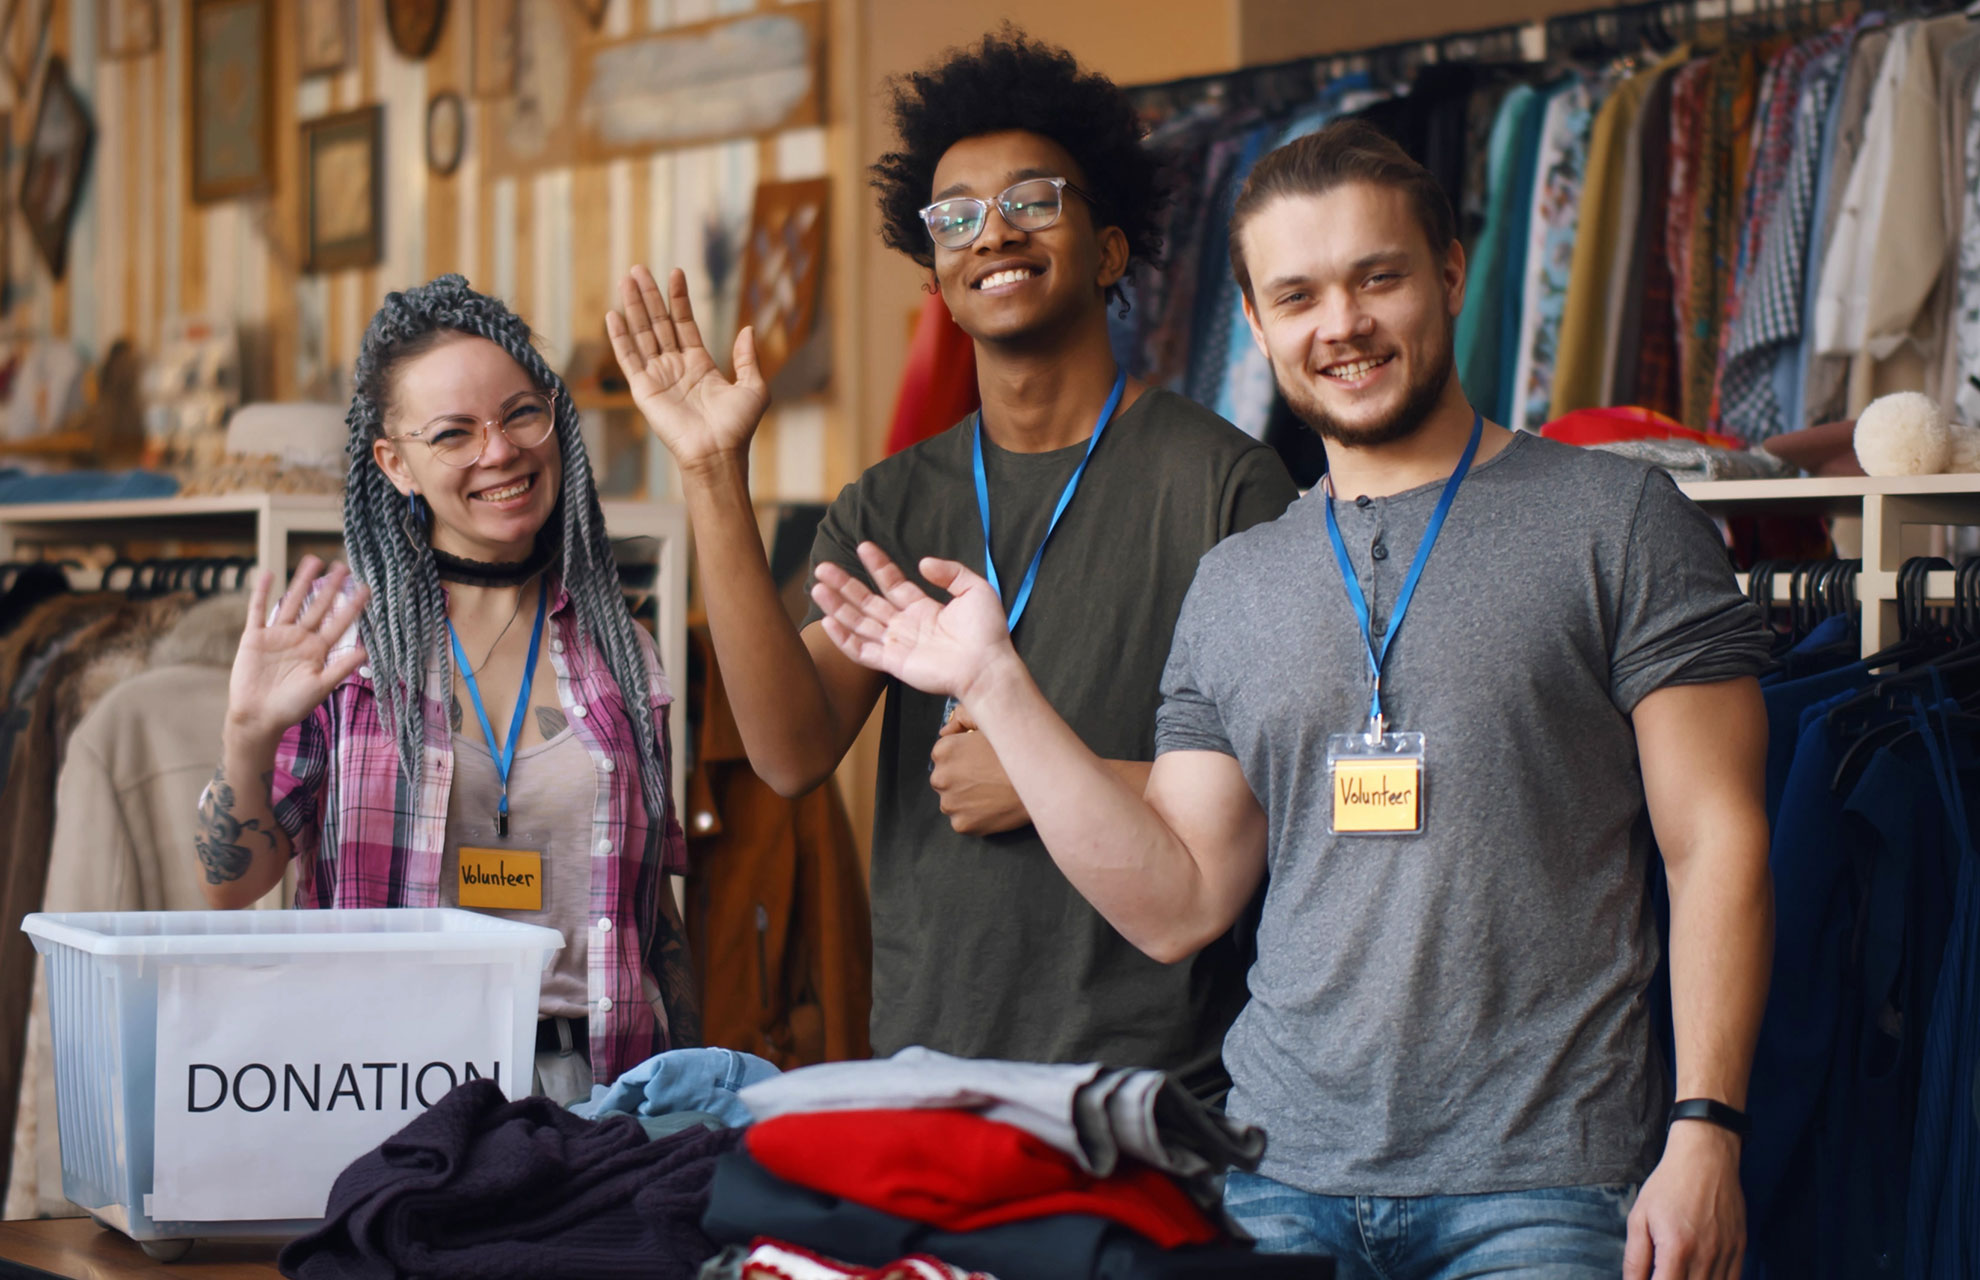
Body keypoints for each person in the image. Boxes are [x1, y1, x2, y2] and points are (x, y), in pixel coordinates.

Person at [808, 120, 1775, 1279]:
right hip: (1276, 1181)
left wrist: (1707, 1128)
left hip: (1541, 1187)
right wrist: (993, 681)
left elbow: (1714, 839)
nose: (1344, 325)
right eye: (1299, 295)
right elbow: (1178, 896)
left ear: (1451, 275)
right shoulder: (1238, 579)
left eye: (1378, 278)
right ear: (1257, 325)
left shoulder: (1615, 522)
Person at [605, 28, 1298, 1097]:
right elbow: (788, 751)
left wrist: (1043, 770)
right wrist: (710, 474)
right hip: (930, 1063)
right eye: (957, 216)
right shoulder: (893, 501)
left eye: (1032, 200)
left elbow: (1285, 795)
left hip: (1158, 1081)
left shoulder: (1225, 486)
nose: (993, 232)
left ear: (1110, 249)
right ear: (936, 273)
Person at [196, 276, 697, 1100]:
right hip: (386, 1090)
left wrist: (685, 1101)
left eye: (520, 414)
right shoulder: (342, 650)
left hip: (597, 1096)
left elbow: (658, 924)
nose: (499, 452)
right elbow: (231, 884)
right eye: (453, 434)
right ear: (395, 463)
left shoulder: (623, 652)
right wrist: (246, 735)